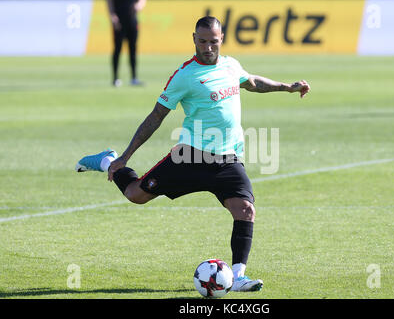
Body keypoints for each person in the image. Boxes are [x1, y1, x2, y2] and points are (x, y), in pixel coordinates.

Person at [76, 16, 310, 292]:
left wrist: (287, 87)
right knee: (136, 195)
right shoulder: (185, 75)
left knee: (245, 210)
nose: (208, 47)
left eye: (213, 41)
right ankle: (107, 160)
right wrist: (124, 157)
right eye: (202, 41)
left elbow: (252, 82)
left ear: (221, 38)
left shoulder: (231, 65)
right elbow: (156, 116)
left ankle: (238, 277)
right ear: (194, 39)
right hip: (190, 158)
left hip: (228, 160)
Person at [107, 0, 146, 87]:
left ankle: (134, 78)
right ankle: (115, 78)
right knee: (117, 49)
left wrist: (140, 4)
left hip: (132, 20)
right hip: (119, 21)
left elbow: (142, 0)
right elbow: (109, 1)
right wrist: (112, 15)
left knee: (133, 50)